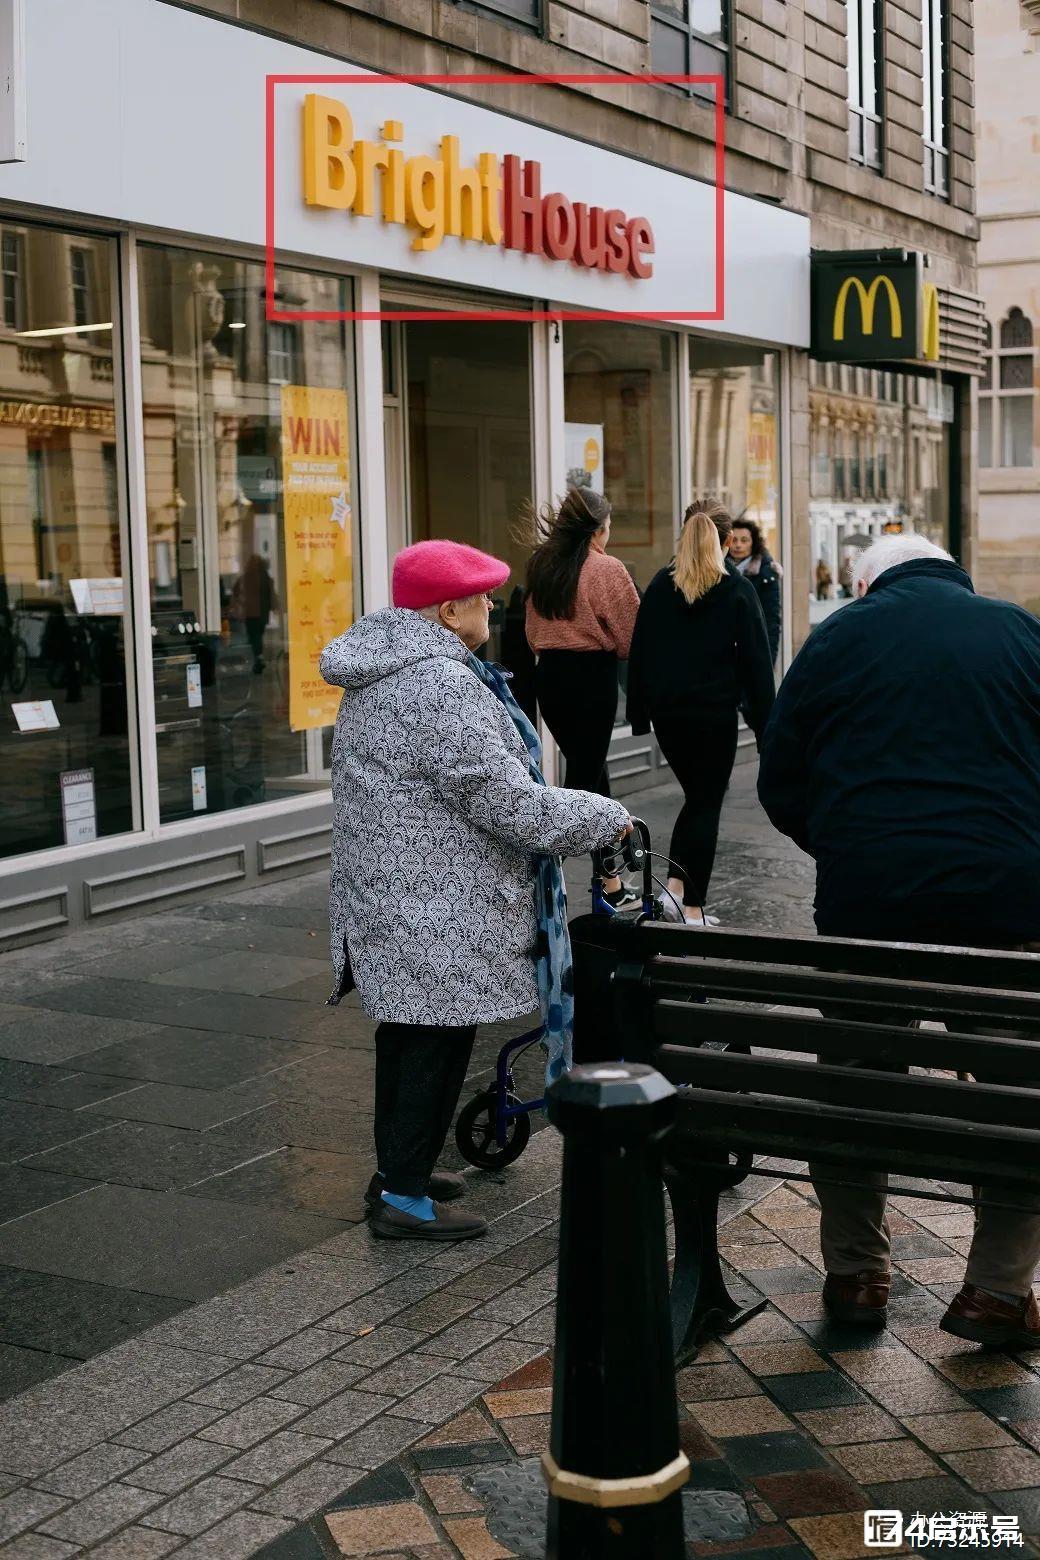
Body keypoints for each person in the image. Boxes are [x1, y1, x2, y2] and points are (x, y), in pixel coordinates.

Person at [758, 533, 1040, 1348]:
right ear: (953, 573)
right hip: (1004, 907)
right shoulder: (1018, 630)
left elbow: (781, 777)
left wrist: (852, 848)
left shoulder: (838, 636)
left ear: (866, 581)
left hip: (868, 907)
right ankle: (995, 1292)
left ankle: (857, 1275)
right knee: (1015, 1098)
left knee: (854, 1087)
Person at [320, 538, 630, 1242]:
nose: (493, 606)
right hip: (430, 905)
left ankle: (401, 1169)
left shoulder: (385, 669)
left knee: (409, 1037)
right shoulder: (438, 683)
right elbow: (507, 804)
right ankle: (401, 1197)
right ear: (450, 607)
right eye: (484, 597)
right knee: (431, 1041)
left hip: (399, 894)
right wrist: (605, 814)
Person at [626, 507, 775, 925]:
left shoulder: (660, 586)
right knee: (706, 804)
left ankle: (675, 889)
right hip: (713, 717)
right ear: (726, 541)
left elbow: (640, 654)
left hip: (669, 717)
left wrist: (639, 714)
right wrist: (768, 729)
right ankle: (692, 908)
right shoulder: (737, 590)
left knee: (696, 800)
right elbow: (757, 666)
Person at [523, 486, 641, 908]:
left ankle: (609, 883)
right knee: (585, 783)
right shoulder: (605, 568)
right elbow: (632, 637)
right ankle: (545, 878)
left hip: (550, 677)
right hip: (591, 676)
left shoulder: (543, 565)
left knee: (592, 774)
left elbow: (532, 630)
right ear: (598, 529)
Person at [729, 517, 782, 665]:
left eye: (744, 540)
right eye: (734, 540)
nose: (738, 545)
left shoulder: (767, 573)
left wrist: (769, 660)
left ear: (754, 543)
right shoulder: (719, 570)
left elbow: (771, 620)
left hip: (753, 650)